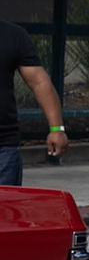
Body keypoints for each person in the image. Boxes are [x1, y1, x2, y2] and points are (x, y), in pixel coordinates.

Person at [1, 17, 66, 185]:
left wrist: (57, 128)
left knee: (6, 202)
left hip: (4, 148)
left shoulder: (13, 35)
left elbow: (39, 82)